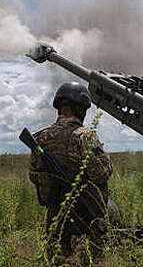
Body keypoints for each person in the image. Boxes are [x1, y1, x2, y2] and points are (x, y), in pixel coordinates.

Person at [28, 82, 113, 260]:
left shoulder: (40, 138)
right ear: (80, 109)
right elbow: (102, 174)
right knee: (89, 261)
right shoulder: (84, 135)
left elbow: (34, 176)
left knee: (57, 260)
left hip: (55, 219)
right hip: (86, 219)